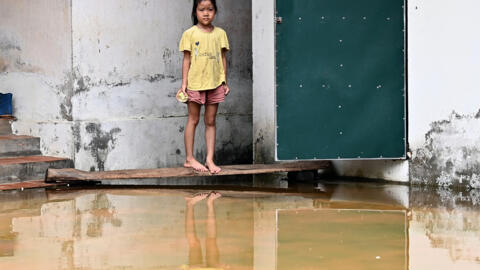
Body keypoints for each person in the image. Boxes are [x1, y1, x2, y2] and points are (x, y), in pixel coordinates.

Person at [177, 0, 230, 174]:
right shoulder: (189, 34)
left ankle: (209, 159)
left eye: (210, 9)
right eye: (201, 10)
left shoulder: (220, 34)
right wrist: (184, 85)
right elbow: (187, 60)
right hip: (195, 84)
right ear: (195, 12)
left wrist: (224, 81)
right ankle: (189, 158)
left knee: (211, 121)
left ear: (215, 11)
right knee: (193, 120)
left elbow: (222, 59)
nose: (206, 13)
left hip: (214, 83)